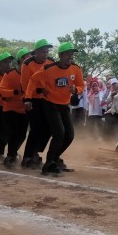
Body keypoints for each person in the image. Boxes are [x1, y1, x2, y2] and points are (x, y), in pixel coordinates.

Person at [26, 42, 85, 176]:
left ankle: (53, 158)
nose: (70, 56)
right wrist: (28, 98)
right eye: (67, 54)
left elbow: (81, 85)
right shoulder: (49, 68)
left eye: (72, 54)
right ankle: (48, 164)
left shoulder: (76, 69)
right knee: (59, 133)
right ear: (60, 55)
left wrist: (76, 89)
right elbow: (33, 80)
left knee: (69, 135)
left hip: (64, 105)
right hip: (50, 104)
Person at [21, 39, 55, 168]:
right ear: (35, 52)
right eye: (42, 52)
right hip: (33, 99)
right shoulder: (27, 63)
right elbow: (25, 85)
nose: (45, 54)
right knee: (36, 128)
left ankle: (36, 151)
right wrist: (28, 99)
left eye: (46, 52)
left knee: (49, 127)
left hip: (48, 99)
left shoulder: (51, 62)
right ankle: (28, 156)